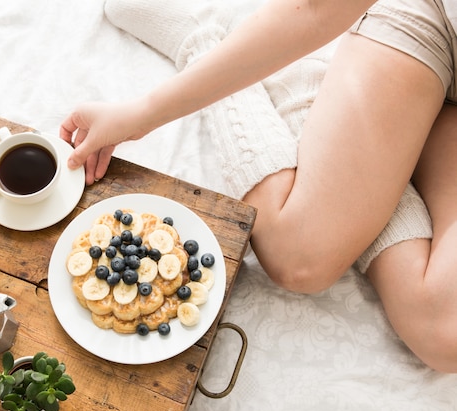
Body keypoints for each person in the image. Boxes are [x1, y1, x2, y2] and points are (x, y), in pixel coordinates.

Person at [60, 0, 457, 373]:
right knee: (299, 255)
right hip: (435, 20)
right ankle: (203, 40)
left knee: (443, 335)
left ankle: (320, 104)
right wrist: (141, 114)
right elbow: (315, 10)